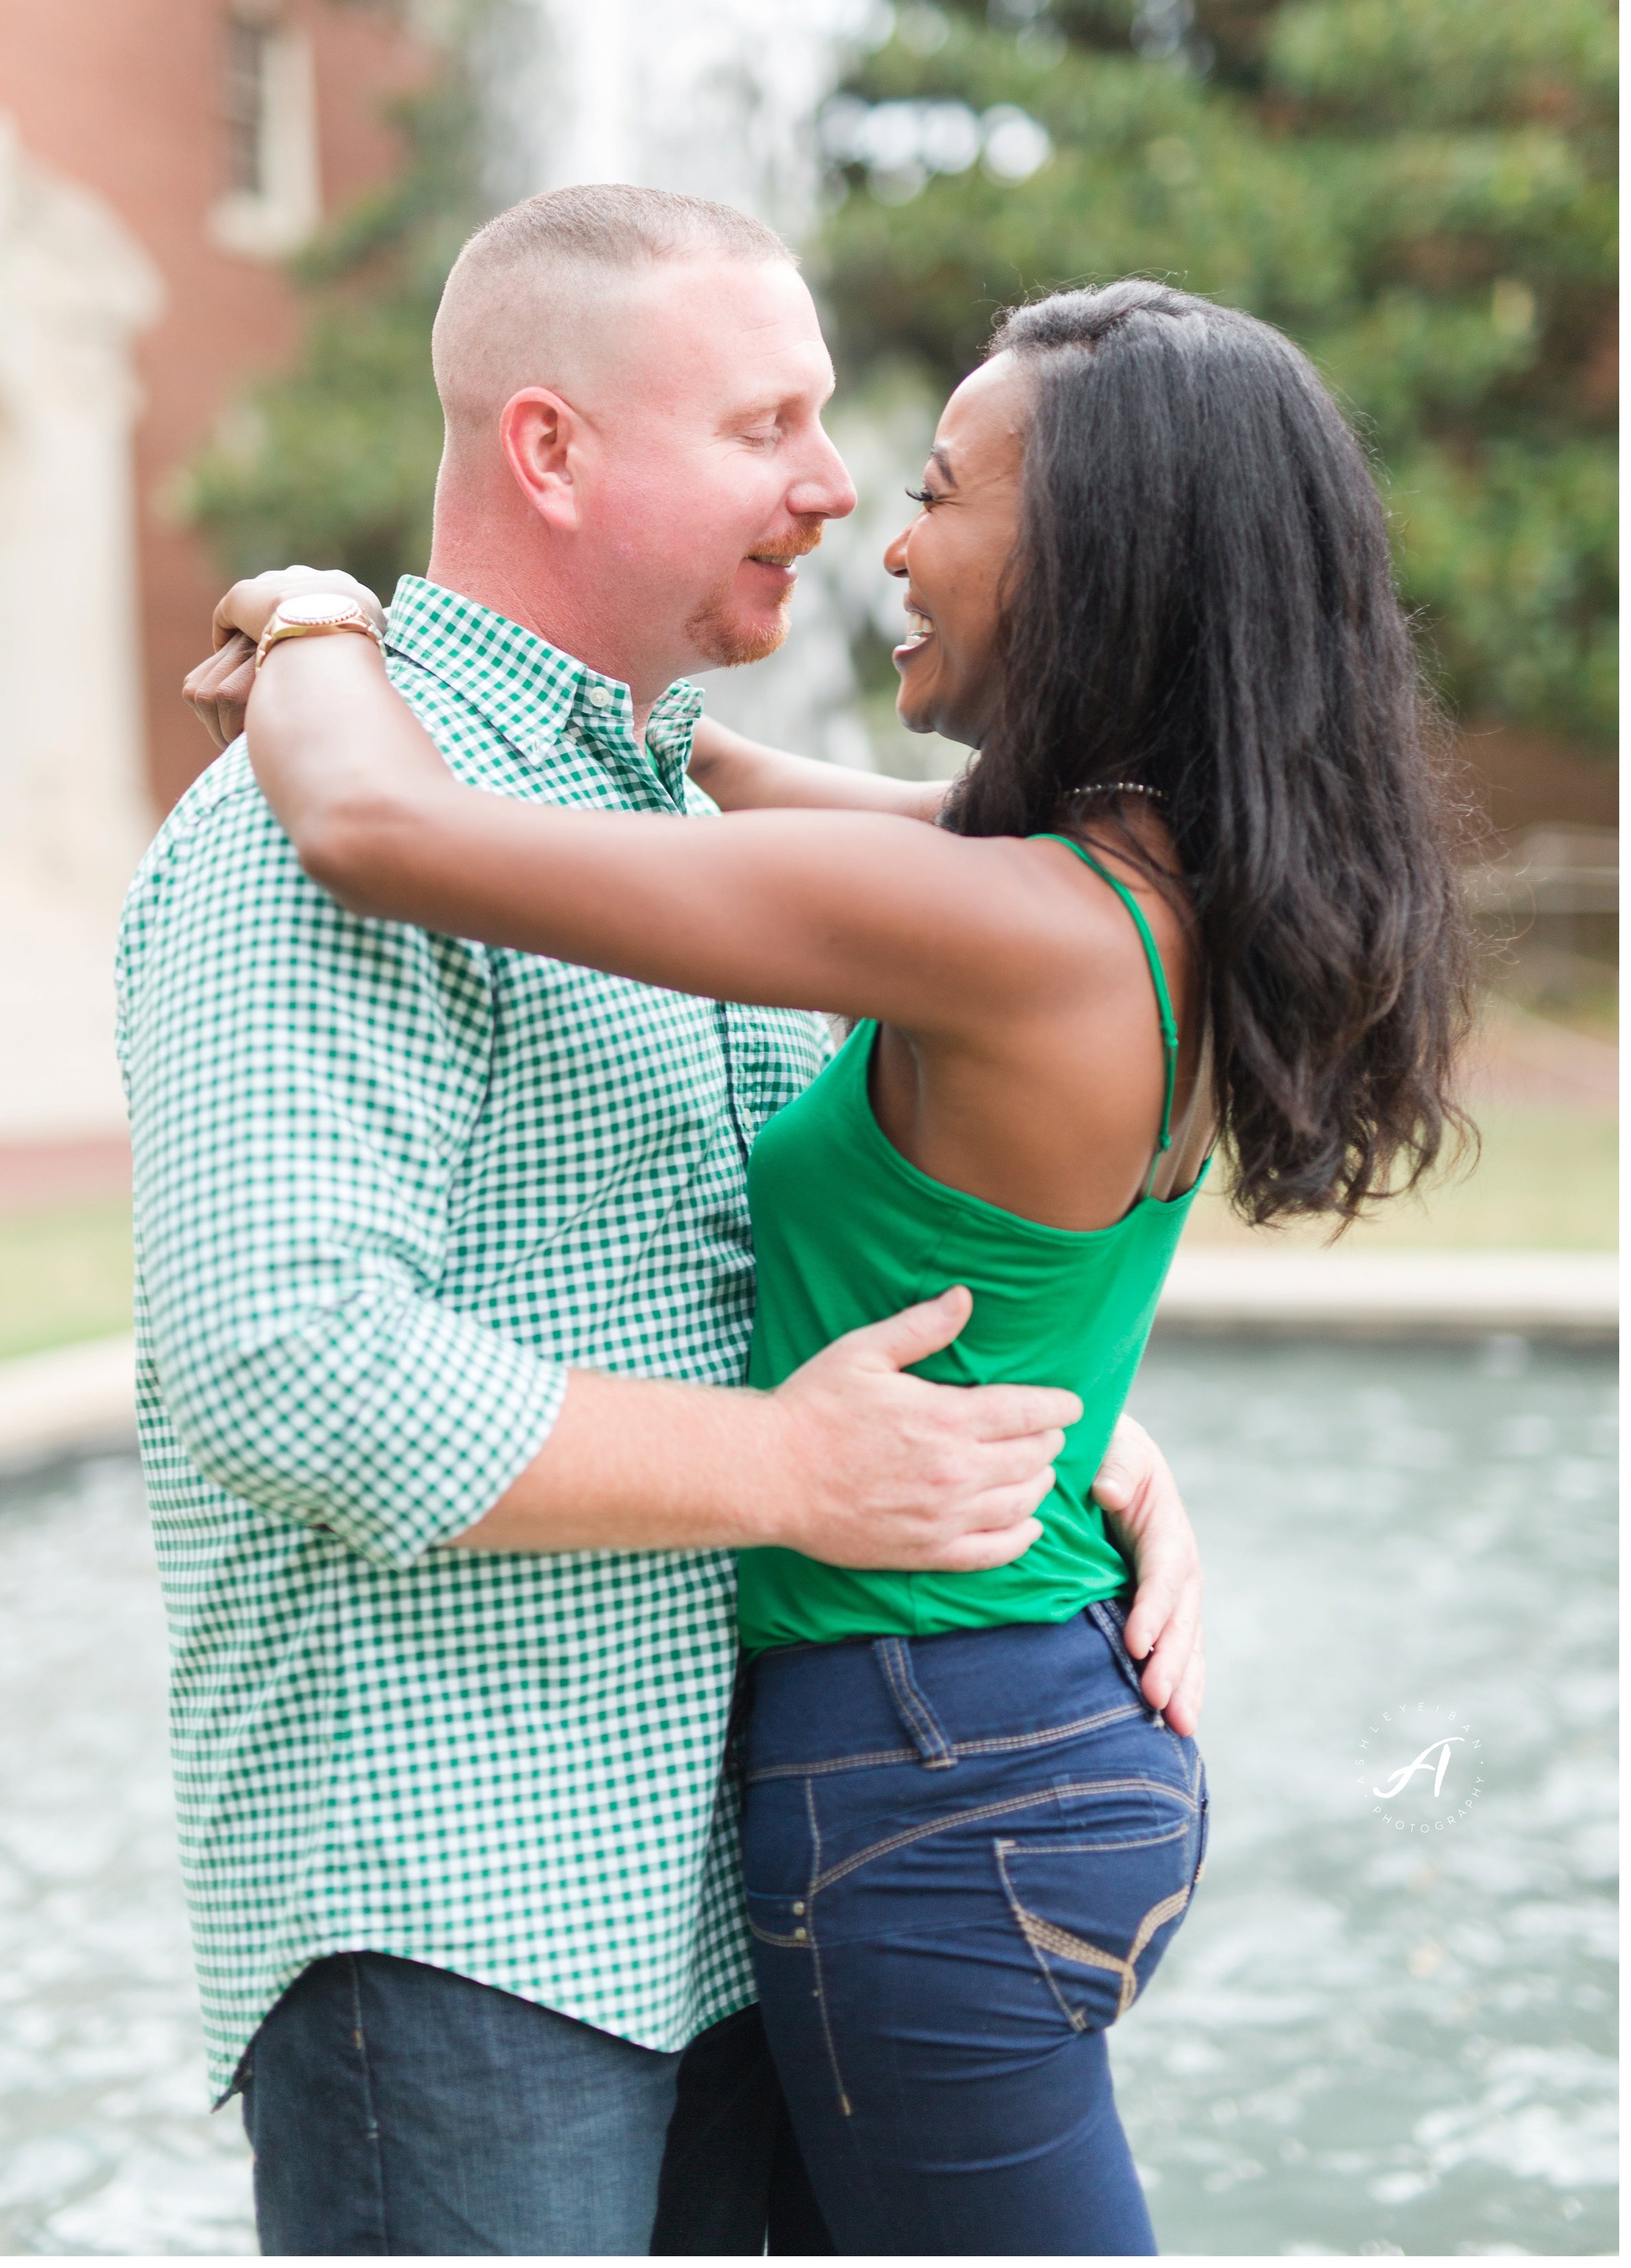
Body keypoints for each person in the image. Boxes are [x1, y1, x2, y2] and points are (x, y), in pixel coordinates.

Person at [209, 272, 1474, 2256]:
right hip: (1008, 1729)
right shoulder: (1122, 889)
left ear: (1100, 562)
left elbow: (372, 828)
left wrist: (307, 616)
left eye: (944, 493)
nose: (883, 534)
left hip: (937, 1765)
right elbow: (689, 780)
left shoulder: (1007, 927)